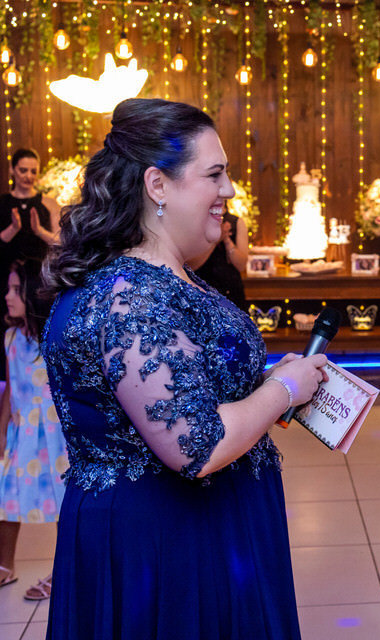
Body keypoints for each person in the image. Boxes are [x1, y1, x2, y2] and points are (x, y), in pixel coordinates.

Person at [41, 98, 328, 639]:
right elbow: (197, 446)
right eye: (214, 174)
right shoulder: (134, 296)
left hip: (197, 528)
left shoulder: (165, 279)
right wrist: (284, 389)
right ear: (158, 185)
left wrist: (264, 388)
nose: (229, 191)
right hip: (167, 546)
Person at [0, 258, 67, 601]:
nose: (8, 296)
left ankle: (62, 572)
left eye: (15, 289)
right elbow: (11, 390)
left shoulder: (54, 336)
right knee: (4, 497)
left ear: (32, 292)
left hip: (54, 437)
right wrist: (0, 433)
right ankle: (4, 565)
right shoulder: (11, 338)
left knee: (62, 504)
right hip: (21, 433)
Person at [0, 149, 61, 373]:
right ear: (12, 170)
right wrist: (13, 229)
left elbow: (62, 243)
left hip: (38, 285)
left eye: (33, 171)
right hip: (7, 282)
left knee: (41, 332)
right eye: (23, 170)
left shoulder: (48, 203)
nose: (28, 175)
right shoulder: (3, 203)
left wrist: (39, 231)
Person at [187, 206, 249, 309]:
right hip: (203, 289)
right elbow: (191, 265)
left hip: (231, 291)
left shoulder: (236, 222)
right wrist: (215, 240)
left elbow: (241, 265)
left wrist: (226, 240)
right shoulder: (198, 220)